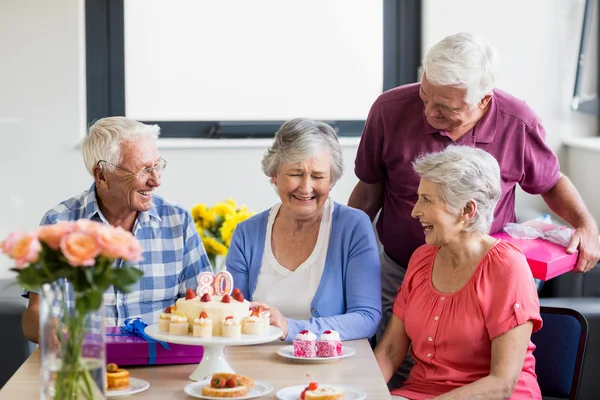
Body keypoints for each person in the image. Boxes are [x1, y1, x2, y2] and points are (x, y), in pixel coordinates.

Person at [349, 31, 600, 354]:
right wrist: (342, 252)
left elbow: (550, 183)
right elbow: (369, 192)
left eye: (444, 107)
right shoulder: (389, 109)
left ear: (484, 100)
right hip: (401, 269)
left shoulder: (517, 122)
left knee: (468, 368)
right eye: (425, 96)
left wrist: (587, 224)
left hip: (484, 276)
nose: (429, 112)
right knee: (399, 360)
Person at [22, 117, 212, 343]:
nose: (156, 180)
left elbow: (204, 301)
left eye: (157, 165)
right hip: (86, 365)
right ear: (102, 175)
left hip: (160, 363)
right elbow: (35, 314)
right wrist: (55, 333)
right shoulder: (58, 223)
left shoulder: (177, 221)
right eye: (143, 170)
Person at [375, 145, 542, 400]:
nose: (415, 211)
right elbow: (390, 350)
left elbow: (502, 383)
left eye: (427, 200)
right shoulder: (421, 259)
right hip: (421, 393)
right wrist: (361, 392)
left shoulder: (507, 267)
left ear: (467, 210)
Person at [227, 118, 382, 341]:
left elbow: (366, 317)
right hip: (258, 363)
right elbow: (232, 314)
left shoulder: (353, 227)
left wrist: (289, 328)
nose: (306, 188)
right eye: (295, 174)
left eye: (318, 176)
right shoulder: (246, 234)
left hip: (331, 364)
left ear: (332, 180)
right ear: (275, 175)